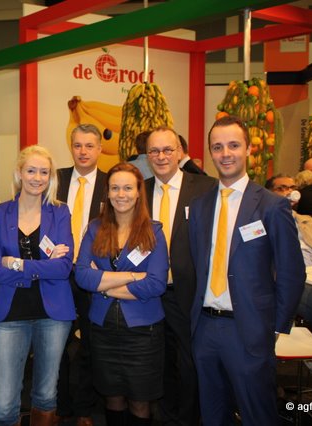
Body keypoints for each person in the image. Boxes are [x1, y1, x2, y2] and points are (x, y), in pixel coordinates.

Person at [188, 116, 305, 426]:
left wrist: (276, 326)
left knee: (258, 415)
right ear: (210, 153)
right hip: (205, 329)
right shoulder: (199, 206)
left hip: (249, 330)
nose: (225, 153)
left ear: (249, 149)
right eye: (217, 147)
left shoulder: (271, 206)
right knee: (213, 416)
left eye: (233, 145)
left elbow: (292, 272)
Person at [0, 145, 75, 426]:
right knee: (3, 406)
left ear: (51, 177)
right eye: (31, 171)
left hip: (53, 314)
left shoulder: (59, 212)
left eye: (44, 172)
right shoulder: (0, 213)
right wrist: (42, 267)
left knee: (46, 396)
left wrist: (16, 264)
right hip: (10, 314)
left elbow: (63, 268)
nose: (37, 178)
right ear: (19, 173)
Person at [76, 162, 168, 426]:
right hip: (103, 329)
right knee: (112, 397)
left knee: (140, 401)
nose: (121, 194)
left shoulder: (154, 231)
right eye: (115, 188)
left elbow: (156, 284)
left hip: (143, 334)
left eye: (128, 188)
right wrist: (133, 276)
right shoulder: (95, 229)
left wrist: (103, 284)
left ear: (139, 192)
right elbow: (82, 276)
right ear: (107, 193)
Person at [144, 127, 216, 426]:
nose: (161, 157)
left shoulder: (206, 188)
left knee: (189, 364)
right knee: (155, 362)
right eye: (154, 151)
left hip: (186, 294)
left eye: (167, 150)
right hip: (146, 295)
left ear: (180, 153)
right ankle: (164, 415)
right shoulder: (139, 190)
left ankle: (187, 419)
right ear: (147, 156)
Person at [55, 123, 107, 425]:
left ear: (99, 149)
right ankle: (59, 406)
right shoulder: (55, 179)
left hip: (92, 274)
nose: (83, 151)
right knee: (56, 343)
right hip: (58, 275)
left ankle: (85, 408)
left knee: (90, 343)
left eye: (89, 146)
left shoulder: (111, 183)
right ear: (71, 147)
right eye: (78, 145)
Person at [266, 174, 312, 353]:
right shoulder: (263, 219)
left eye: (292, 188)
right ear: (268, 193)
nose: (288, 192)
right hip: (297, 281)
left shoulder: (305, 220)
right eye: (281, 188)